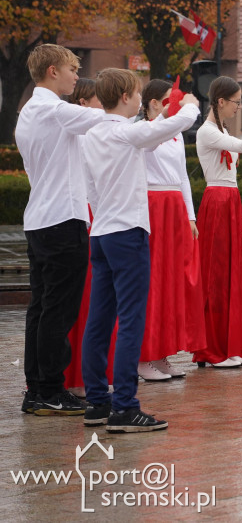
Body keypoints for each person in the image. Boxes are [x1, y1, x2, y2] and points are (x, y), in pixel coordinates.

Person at [80, 68, 200, 432]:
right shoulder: (126, 132)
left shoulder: (92, 134)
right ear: (128, 97)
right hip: (127, 232)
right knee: (131, 318)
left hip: (101, 233)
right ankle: (125, 407)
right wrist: (191, 106)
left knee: (99, 319)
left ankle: (98, 402)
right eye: (135, 92)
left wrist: (102, 219)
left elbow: (91, 190)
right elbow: (170, 126)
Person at [16, 45, 106, 416]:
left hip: (39, 221)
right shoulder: (56, 110)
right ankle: (49, 389)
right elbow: (108, 119)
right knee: (57, 310)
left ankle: (38, 388)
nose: (76, 75)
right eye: (73, 68)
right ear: (53, 71)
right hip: (62, 221)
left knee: (40, 308)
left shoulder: (28, 112)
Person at [192, 77, 242, 368]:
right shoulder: (207, 132)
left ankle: (228, 345)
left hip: (230, 204)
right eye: (237, 101)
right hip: (216, 204)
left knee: (231, 279)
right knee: (216, 278)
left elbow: (233, 180)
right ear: (221, 101)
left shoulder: (221, 131)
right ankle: (212, 351)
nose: (239, 106)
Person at [137, 80, 206, 381]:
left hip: (174, 208)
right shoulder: (146, 131)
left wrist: (190, 216)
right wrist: (180, 111)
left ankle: (163, 353)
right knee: (153, 282)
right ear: (153, 103)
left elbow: (183, 178)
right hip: (153, 206)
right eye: (167, 101)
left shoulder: (175, 135)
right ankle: (143, 357)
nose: (172, 106)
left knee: (172, 283)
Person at [62, 78, 114, 397]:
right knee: (79, 297)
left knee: (96, 297)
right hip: (81, 215)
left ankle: (89, 372)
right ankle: (75, 376)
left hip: (96, 213)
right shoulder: (77, 136)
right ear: (83, 104)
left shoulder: (94, 135)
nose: (103, 109)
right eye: (99, 101)